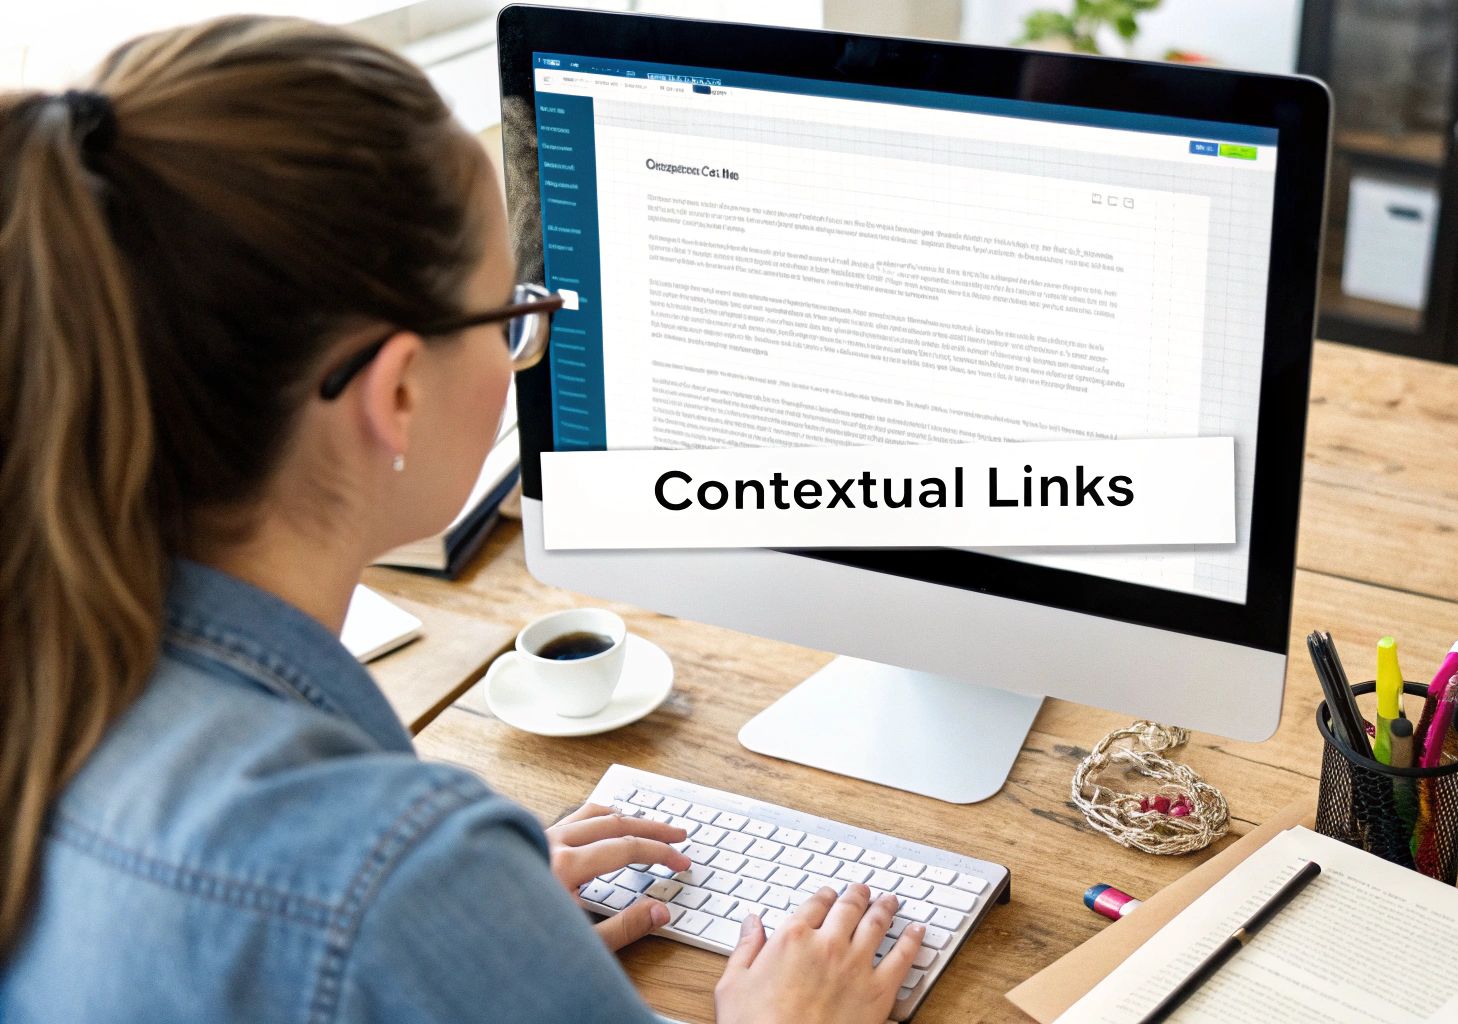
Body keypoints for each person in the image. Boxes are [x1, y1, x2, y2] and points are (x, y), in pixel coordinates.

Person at [0, 16, 922, 1022]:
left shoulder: (47, 679)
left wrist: (486, 938)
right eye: (508, 317)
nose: (519, 349)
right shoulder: (396, 878)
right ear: (395, 391)